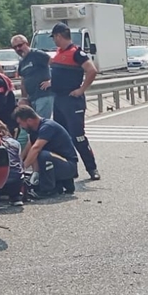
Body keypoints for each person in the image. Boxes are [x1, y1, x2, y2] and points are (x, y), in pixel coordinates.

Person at [48, 22, 100, 180]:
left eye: (54, 38)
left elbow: (92, 70)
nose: (54, 41)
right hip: (58, 100)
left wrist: (81, 89)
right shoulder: (58, 53)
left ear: (58, 35)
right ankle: (67, 171)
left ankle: (92, 168)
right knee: (61, 136)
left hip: (72, 101)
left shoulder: (77, 52)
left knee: (78, 136)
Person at [14, 104, 78, 197]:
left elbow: (36, 149)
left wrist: (22, 168)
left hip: (69, 165)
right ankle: (60, 184)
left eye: (20, 123)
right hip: (58, 162)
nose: (20, 126)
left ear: (29, 120)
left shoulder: (47, 126)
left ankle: (48, 189)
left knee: (43, 155)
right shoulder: (33, 130)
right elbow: (30, 147)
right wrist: (19, 163)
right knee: (40, 156)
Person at [10, 33, 54, 119]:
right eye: (15, 47)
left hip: (43, 95)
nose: (18, 48)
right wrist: (24, 98)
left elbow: (55, 65)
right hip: (31, 98)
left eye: (20, 45)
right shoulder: (22, 62)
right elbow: (23, 81)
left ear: (27, 43)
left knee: (41, 123)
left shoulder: (37, 54)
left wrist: (51, 81)